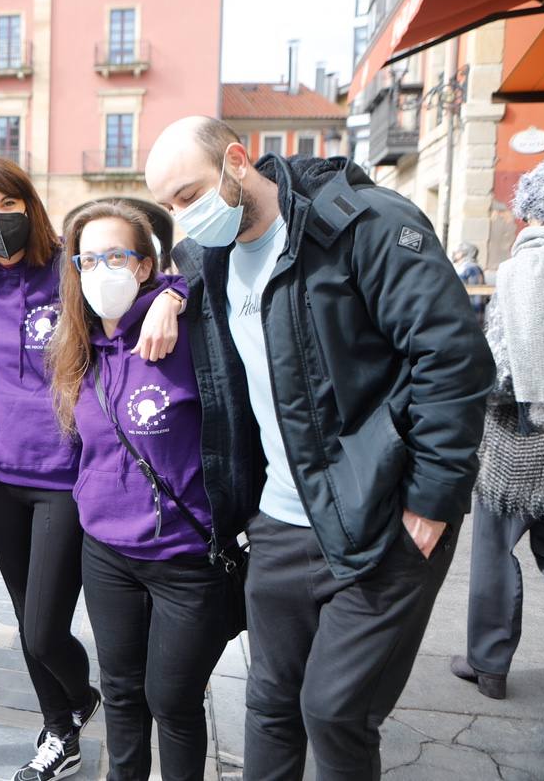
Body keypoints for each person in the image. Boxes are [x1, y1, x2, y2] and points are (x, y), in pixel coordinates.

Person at [146, 116, 495, 780]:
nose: (182, 217)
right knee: (270, 704)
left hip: (383, 517)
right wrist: (168, 295)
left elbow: (453, 358)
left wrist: (433, 499)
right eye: (167, 207)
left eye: (188, 196)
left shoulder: (364, 223)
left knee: (334, 713)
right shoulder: (206, 259)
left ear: (238, 161)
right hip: (278, 525)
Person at [0, 159, 185, 781]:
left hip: (65, 476)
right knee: (29, 619)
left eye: (6, 203)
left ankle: (78, 698)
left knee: (43, 630)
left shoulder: (68, 271)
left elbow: (146, 280)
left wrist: (176, 296)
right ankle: (61, 727)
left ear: (29, 203)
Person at [46, 201, 242, 781]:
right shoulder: (78, 349)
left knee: (174, 702)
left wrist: (177, 293)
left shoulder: (186, 331)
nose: (101, 269)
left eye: (117, 255)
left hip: (186, 558)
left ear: (143, 265)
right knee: (123, 694)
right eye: (88, 259)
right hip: (107, 554)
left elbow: (222, 263)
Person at [452, 160, 544, 700]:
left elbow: (509, 366)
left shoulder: (524, 266)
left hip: (519, 436)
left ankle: (488, 664)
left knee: (494, 552)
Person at [451, 242, 487, 320]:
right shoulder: (464, 267)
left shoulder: (471, 268)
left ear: (463, 253)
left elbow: (475, 297)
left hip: (468, 316)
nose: (454, 254)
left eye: (457, 252)